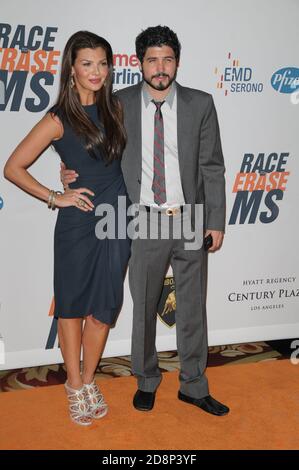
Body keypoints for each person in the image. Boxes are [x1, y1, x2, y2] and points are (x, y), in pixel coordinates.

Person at [61, 25, 229, 416]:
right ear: (138, 63)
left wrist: (216, 220)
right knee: (143, 307)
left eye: (167, 59)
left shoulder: (199, 104)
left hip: (189, 218)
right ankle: (146, 380)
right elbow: (85, 146)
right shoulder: (116, 104)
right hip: (143, 220)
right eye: (152, 59)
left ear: (177, 62)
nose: (160, 67)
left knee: (192, 308)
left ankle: (194, 385)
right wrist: (67, 172)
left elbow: (212, 166)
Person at [4, 31, 131, 426]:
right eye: (87, 63)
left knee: (103, 309)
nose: (96, 71)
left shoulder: (119, 108)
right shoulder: (58, 118)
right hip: (78, 223)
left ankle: (90, 379)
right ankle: (73, 385)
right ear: (71, 69)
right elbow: (12, 167)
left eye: (103, 63)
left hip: (118, 220)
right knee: (72, 306)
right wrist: (53, 195)